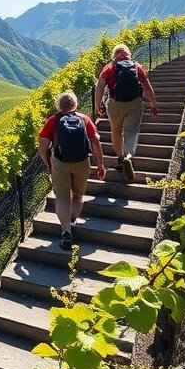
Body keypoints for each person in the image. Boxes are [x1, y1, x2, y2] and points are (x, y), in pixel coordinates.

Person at [38, 91, 105, 250]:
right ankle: (72, 220)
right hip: (82, 162)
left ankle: (66, 230)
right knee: (78, 194)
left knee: (62, 196)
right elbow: (95, 142)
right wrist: (100, 165)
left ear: (59, 106)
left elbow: (43, 146)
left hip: (60, 163)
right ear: (75, 105)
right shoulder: (84, 119)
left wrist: (48, 163)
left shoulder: (53, 121)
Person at [95, 44, 158, 183]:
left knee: (116, 132)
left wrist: (98, 105)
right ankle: (128, 156)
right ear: (129, 54)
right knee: (131, 132)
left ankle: (120, 158)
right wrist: (153, 104)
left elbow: (99, 87)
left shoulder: (109, 68)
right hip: (135, 103)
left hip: (115, 104)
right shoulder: (136, 66)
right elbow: (147, 87)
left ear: (114, 55)